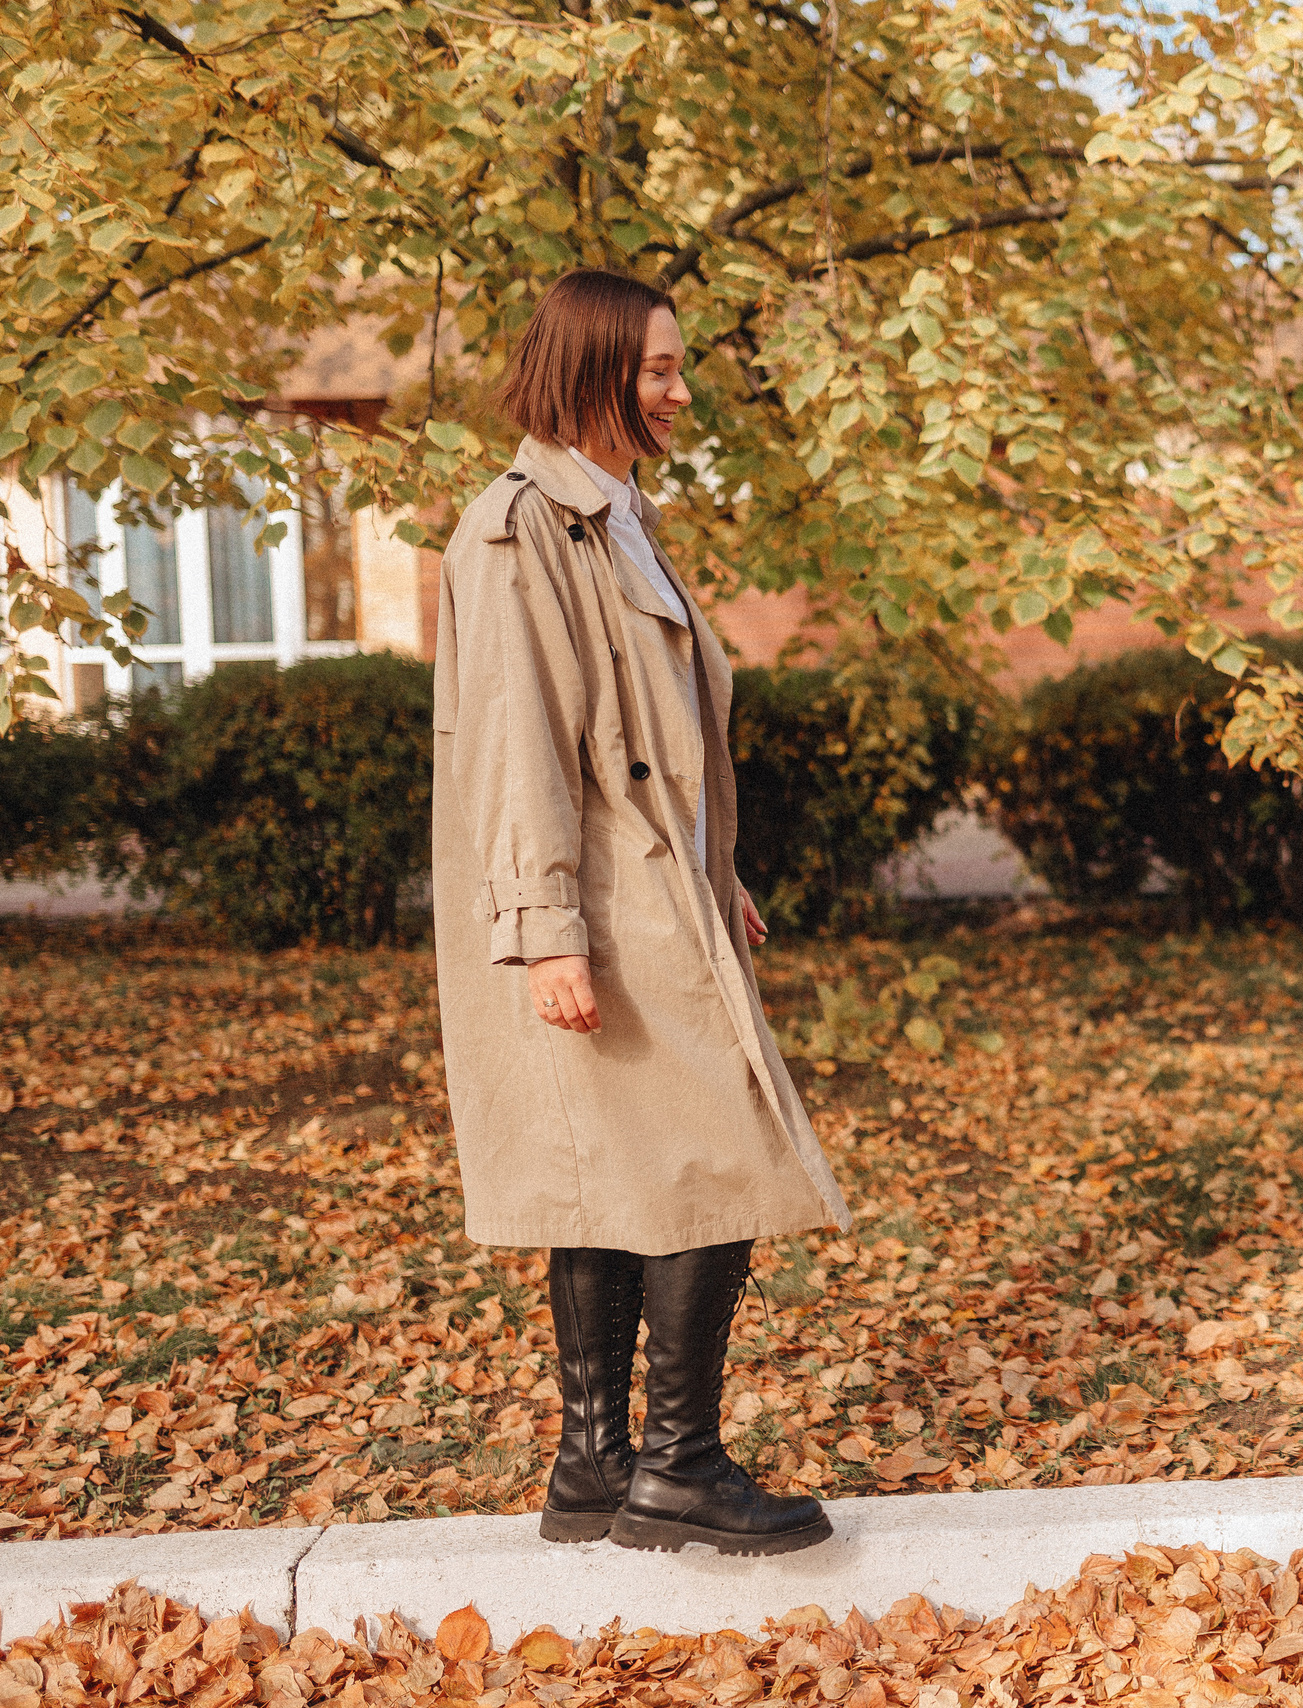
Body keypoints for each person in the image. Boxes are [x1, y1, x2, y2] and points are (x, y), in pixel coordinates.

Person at [431, 269, 851, 1555]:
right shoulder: (517, 531)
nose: (680, 392)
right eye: (659, 370)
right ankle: (679, 1465)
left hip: (658, 892)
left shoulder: (619, 519)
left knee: (618, 1173)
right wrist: (544, 927)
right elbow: (518, 741)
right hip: (596, 907)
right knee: (709, 1157)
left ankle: (594, 1468)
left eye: (678, 368)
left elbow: (661, 737)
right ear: (594, 370)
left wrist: (720, 871)